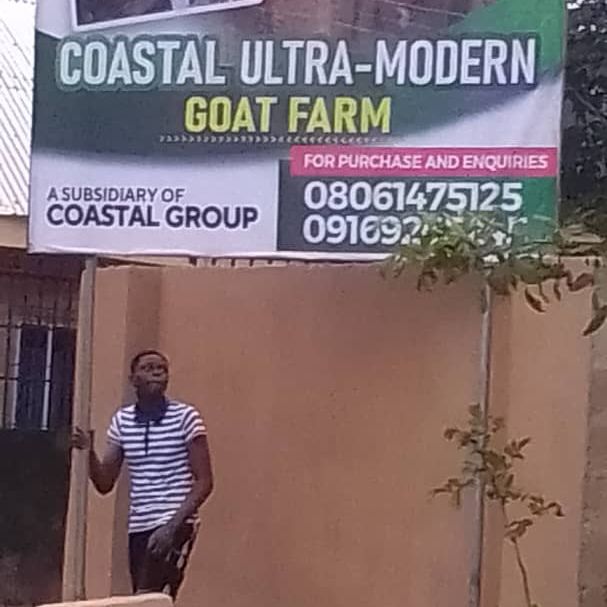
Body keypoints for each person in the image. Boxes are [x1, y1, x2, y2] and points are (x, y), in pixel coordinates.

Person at [72, 350, 213, 599]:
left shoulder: (186, 418)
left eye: (162, 368)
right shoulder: (122, 421)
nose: (157, 373)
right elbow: (105, 483)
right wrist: (89, 452)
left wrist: (172, 527)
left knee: (147, 596)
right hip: (139, 525)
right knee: (146, 599)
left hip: (175, 522)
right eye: (148, 368)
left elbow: (205, 482)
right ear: (133, 379)